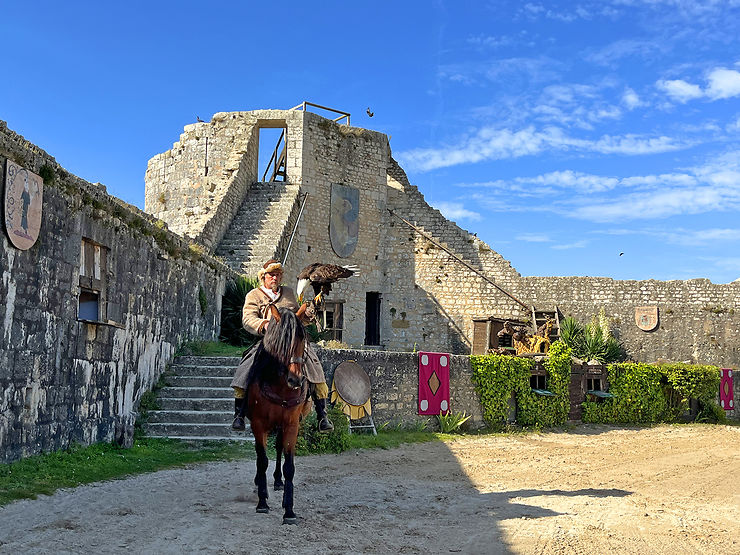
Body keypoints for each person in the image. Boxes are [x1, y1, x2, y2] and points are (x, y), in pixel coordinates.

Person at [231, 259, 334, 433]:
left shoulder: (288, 293)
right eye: (272, 275)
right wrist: (264, 325)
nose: (275, 278)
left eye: (278, 275)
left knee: (313, 363)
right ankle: (239, 414)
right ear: (263, 276)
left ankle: (322, 414)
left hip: (292, 340)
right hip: (268, 341)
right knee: (247, 365)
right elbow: (247, 319)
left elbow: (298, 317)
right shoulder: (254, 295)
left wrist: (308, 314)